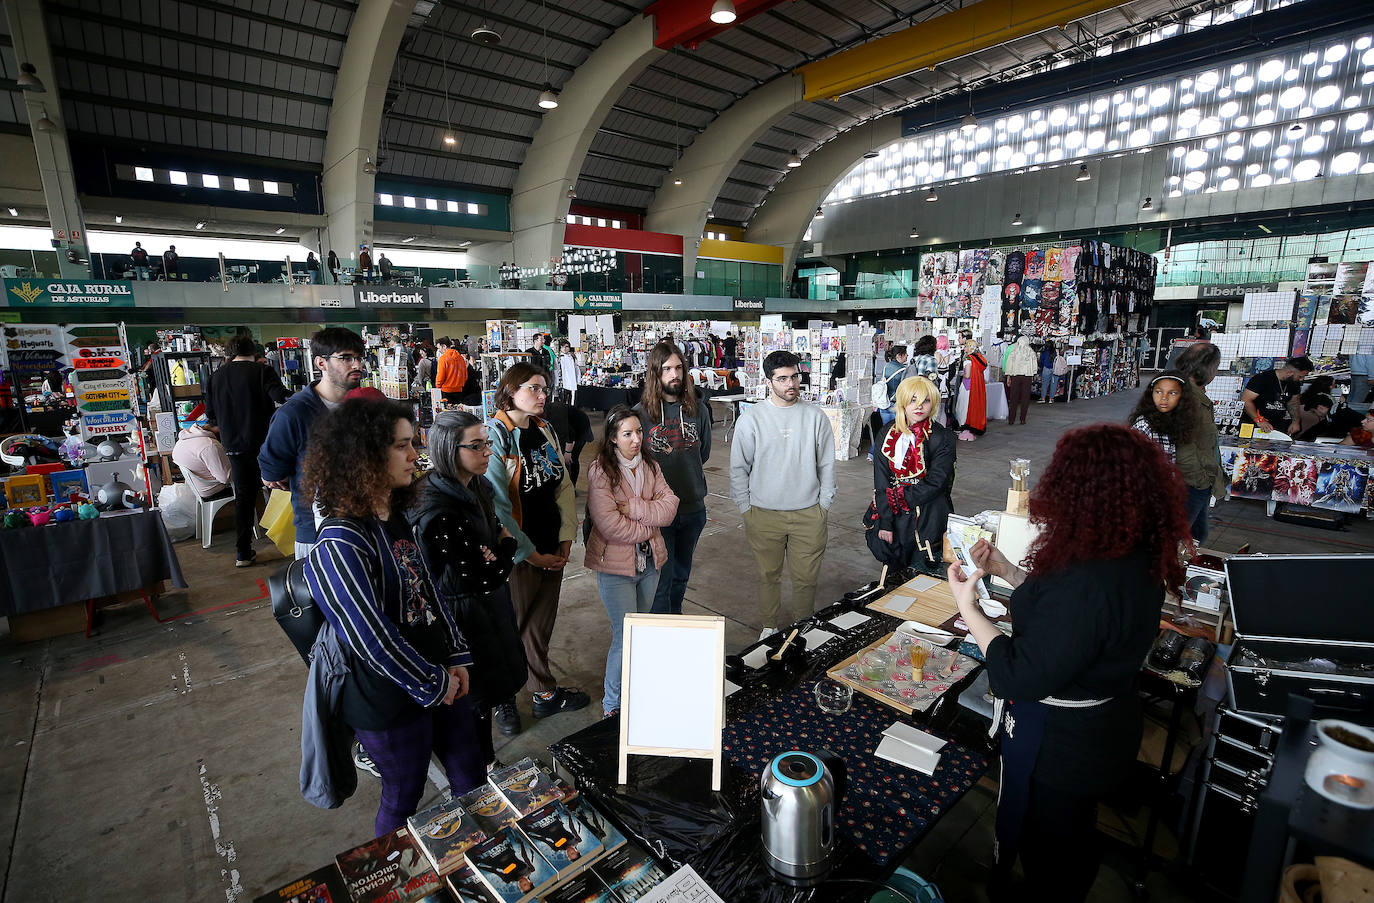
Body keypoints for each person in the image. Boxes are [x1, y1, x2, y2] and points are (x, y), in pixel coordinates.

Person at [949, 424, 1193, 902]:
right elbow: (1068, 619)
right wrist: (1006, 570)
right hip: (1105, 725)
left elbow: (1018, 673)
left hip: (1064, 744)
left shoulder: (1090, 578)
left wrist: (970, 609)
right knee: (1072, 833)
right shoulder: (1129, 552)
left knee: (1053, 849)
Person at [302, 399, 484, 835]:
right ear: (364, 455)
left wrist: (456, 655)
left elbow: (429, 594)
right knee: (404, 797)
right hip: (386, 696)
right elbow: (371, 638)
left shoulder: (395, 515)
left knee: (471, 776)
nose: (414, 456)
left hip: (439, 675)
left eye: (413, 444)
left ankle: (477, 860)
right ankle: (399, 879)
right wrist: (434, 682)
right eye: (402, 446)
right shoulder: (341, 540)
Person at [408, 411, 526, 773]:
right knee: (473, 700)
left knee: (485, 697)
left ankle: (486, 761)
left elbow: (487, 565)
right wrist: (502, 548)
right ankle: (482, 766)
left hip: (485, 610)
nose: (487, 451)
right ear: (448, 450)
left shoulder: (476, 488)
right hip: (464, 618)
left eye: (487, 442)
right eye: (476, 445)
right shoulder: (439, 509)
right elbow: (484, 574)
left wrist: (493, 553)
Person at [484, 363, 586, 734]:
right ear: (511, 390)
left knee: (539, 625)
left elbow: (562, 484)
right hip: (517, 552)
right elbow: (497, 506)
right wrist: (529, 554)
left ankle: (542, 693)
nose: (543, 396)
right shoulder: (495, 435)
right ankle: (504, 700)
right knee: (510, 626)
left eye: (546, 389)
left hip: (550, 545)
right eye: (535, 388)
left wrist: (566, 536)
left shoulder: (544, 430)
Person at [730, 350, 835, 638]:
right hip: (763, 514)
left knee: (806, 579)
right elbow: (739, 467)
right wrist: (745, 507)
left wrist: (823, 504)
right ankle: (769, 627)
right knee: (768, 575)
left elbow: (827, 463)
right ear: (768, 381)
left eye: (794, 377)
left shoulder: (815, 417)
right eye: (782, 379)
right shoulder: (752, 420)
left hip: (808, 514)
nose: (791, 384)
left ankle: (803, 626)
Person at [585, 405, 679, 716]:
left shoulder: (651, 466)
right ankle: (612, 704)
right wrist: (650, 519)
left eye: (638, 432)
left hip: (650, 565)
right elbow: (609, 524)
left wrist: (634, 507)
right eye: (627, 434)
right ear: (613, 438)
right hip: (616, 569)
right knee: (625, 635)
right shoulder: (601, 471)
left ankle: (636, 690)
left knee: (642, 632)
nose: (636, 439)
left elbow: (670, 508)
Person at [258, 327, 366, 560]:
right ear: (321, 363)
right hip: (318, 534)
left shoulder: (360, 407)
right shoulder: (294, 414)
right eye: (346, 358)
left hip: (363, 527)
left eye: (359, 358)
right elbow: (271, 473)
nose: (357, 365)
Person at [634, 341, 712, 616]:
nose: (674, 374)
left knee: (681, 575)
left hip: (692, 508)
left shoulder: (698, 410)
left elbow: (703, 453)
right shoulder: (640, 415)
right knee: (660, 580)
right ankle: (660, 631)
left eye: (679, 367)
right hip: (657, 513)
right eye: (667, 368)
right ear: (656, 373)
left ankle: (675, 621)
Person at [206, 334, 289, 566]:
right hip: (266, 444)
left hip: (234, 446)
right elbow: (280, 397)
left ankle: (243, 552)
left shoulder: (215, 377)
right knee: (282, 488)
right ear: (254, 351)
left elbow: (211, 416)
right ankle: (290, 542)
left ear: (229, 353)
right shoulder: (263, 371)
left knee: (244, 498)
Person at [868, 376, 955, 575]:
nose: (919, 406)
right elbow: (881, 481)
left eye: (925, 400)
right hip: (894, 515)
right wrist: (886, 521)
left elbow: (937, 482)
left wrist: (898, 498)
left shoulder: (942, 436)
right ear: (903, 402)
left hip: (929, 515)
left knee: (925, 573)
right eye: (913, 400)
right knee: (892, 573)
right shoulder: (886, 433)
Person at [1173, 342, 1228, 544]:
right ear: (1208, 368)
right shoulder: (1187, 397)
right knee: (1182, 538)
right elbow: (1183, 445)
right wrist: (1200, 479)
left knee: (1196, 536)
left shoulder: (1191, 393)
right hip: (1191, 481)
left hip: (1197, 480)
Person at [1127, 371, 1195, 463]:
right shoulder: (1144, 427)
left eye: (1172, 393)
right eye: (1158, 392)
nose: (1164, 397)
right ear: (1151, 393)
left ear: (1182, 396)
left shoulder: (1175, 420)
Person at [1241, 356, 1313, 433]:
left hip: (1276, 425)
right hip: (1254, 424)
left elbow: (1293, 403)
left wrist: (1295, 422)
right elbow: (1246, 400)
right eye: (1300, 376)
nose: (1302, 379)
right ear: (1290, 373)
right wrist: (1258, 420)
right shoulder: (1262, 379)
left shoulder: (1294, 383)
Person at [171, 423, 232, 500]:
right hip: (211, 490)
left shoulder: (183, 439)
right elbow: (226, 478)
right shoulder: (210, 445)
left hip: (196, 487)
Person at [1002, 336, 1037, 426]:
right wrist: (1032, 375)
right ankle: (1022, 419)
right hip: (1027, 377)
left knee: (1013, 398)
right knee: (1025, 398)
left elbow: (1009, 365)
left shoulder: (1014, 352)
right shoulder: (1031, 352)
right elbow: (1034, 366)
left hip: (1015, 376)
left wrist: (1008, 376)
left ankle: (1011, 419)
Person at [959, 336, 989, 440]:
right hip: (976, 386)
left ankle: (966, 428)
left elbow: (967, 375)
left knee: (965, 407)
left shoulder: (968, 359)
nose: (964, 349)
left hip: (967, 386)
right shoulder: (979, 358)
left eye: (965, 347)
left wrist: (960, 374)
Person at [435, 337, 469, 404]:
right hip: (459, 390)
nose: (438, 350)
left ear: (444, 346)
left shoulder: (443, 359)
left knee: (448, 412)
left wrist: (438, 386)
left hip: (446, 390)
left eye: (439, 348)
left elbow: (440, 376)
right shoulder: (460, 358)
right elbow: (465, 375)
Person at [557, 340, 579, 405]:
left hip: (572, 382)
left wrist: (578, 380)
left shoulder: (572, 357)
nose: (564, 348)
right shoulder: (558, 357)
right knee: (562, 401)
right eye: (562, 347)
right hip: (563, 383)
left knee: (572, 402)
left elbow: (576, 369)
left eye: (566, 347)